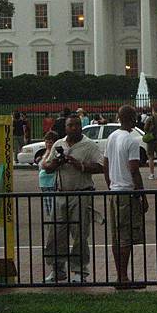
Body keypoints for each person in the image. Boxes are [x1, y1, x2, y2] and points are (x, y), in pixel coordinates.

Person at [42, 114, 104, 283]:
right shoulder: (58, 144)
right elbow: (45, 166)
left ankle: (79, 270)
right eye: (70, 125)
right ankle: (57, 269)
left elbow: (101, 166)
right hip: (61, 193)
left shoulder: (89, 145)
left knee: (79, 234)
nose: (74, 128)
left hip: (81, 193)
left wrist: (81, 165)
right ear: (66, 127)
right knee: (56, 233)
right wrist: (56, 163)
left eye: (77, 125)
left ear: (81, 126)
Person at [103, 105, 148, 289]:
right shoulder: (131, 140)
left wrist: (110, 184)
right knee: (126, 237)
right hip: (127, 193)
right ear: (133, 118)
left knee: (117, 237)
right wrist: (142, 195)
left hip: (115, 191)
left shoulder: (112, 137)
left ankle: (121, 275)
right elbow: (134, 169)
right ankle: (123, 277)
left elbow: (105, 164)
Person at [37, 130, 60, 218]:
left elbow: (49, 167)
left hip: (51, 183)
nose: (48, 144)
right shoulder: (46, 152)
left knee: (53, 210)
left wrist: (43, 164)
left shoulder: (55, 153)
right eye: (47, 142)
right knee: (48, 209)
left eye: (50, 142)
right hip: (44, 184)